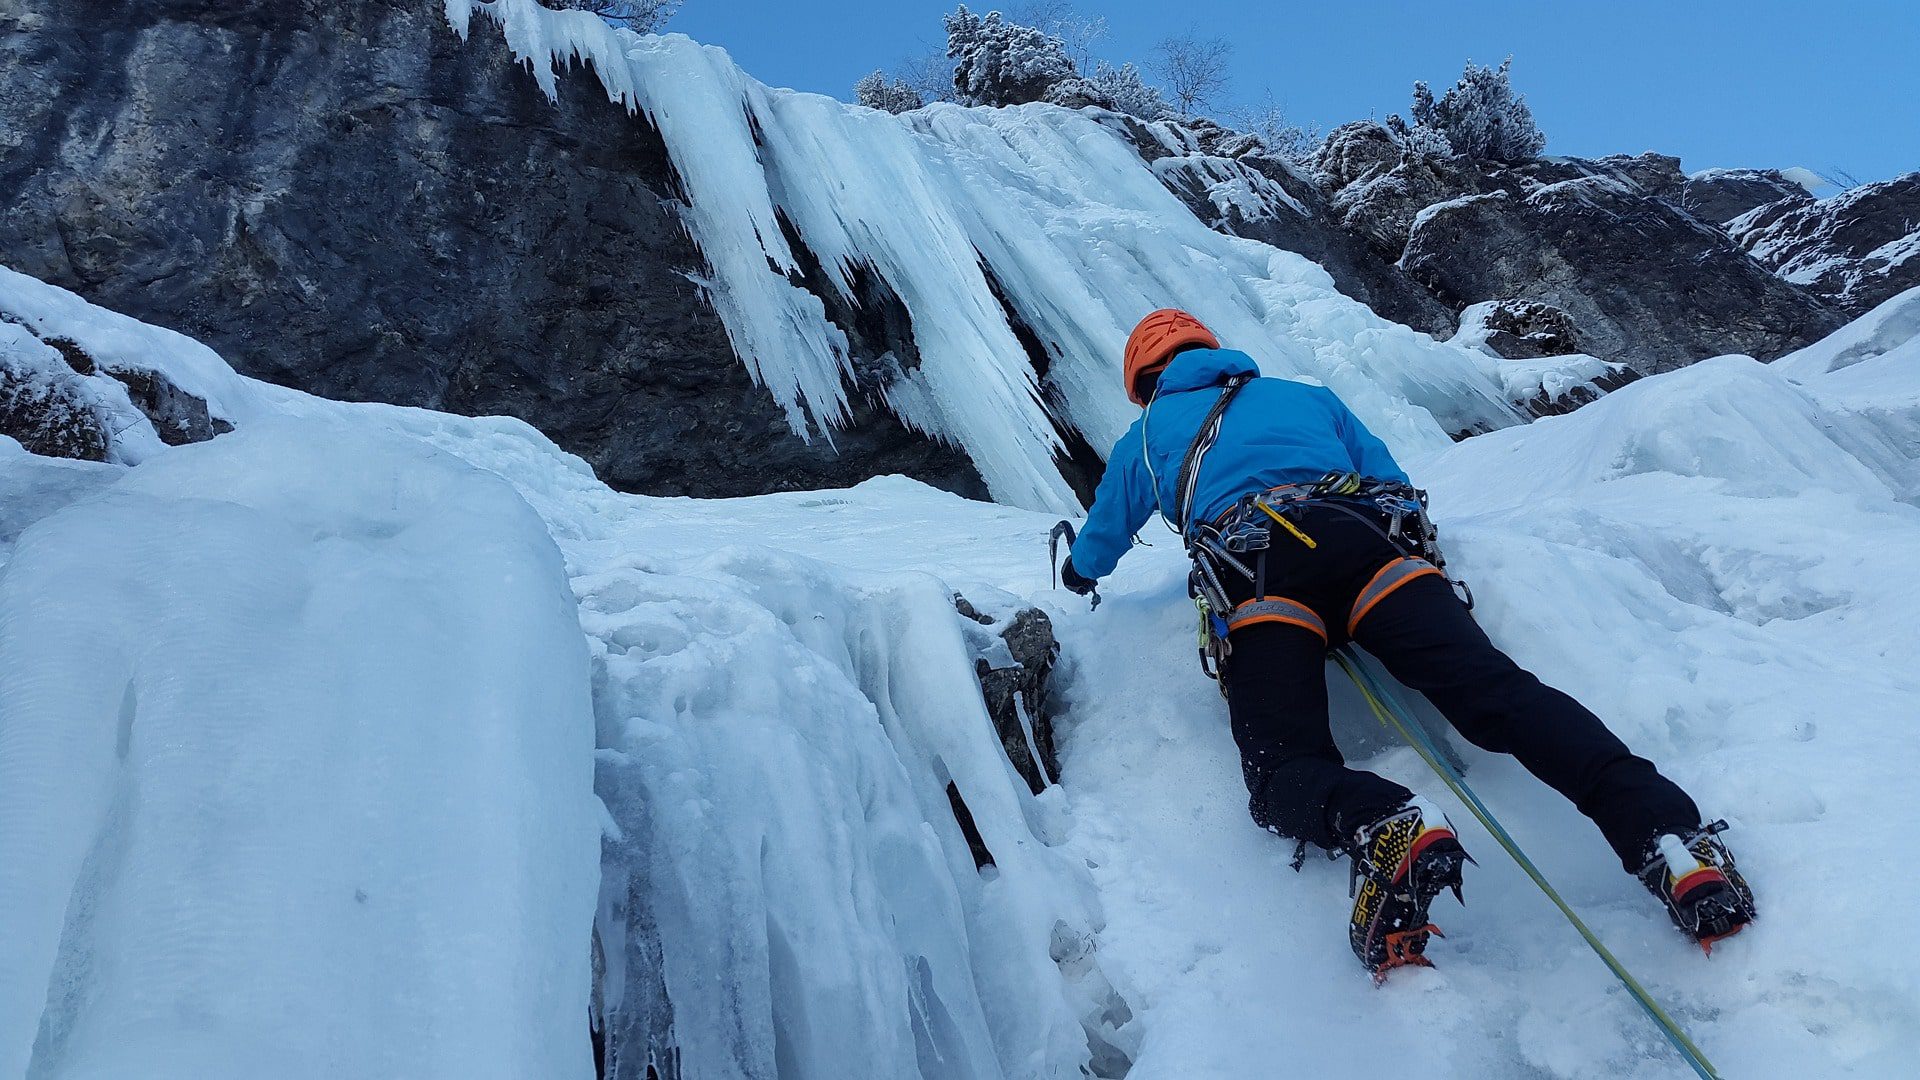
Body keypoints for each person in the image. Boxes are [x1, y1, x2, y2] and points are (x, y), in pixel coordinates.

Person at [1059, 309, 1756, 977]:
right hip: (1373, 551)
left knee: (1281, 772)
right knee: (1501, 697)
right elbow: (1388, 477)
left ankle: (1382, 822)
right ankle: (1672, 838)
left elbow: (1105, 536)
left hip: (1260, 574)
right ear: (1214, 353)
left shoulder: (1148, 435)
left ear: (1145, 380)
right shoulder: (1306, 397)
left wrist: (1076, 571)